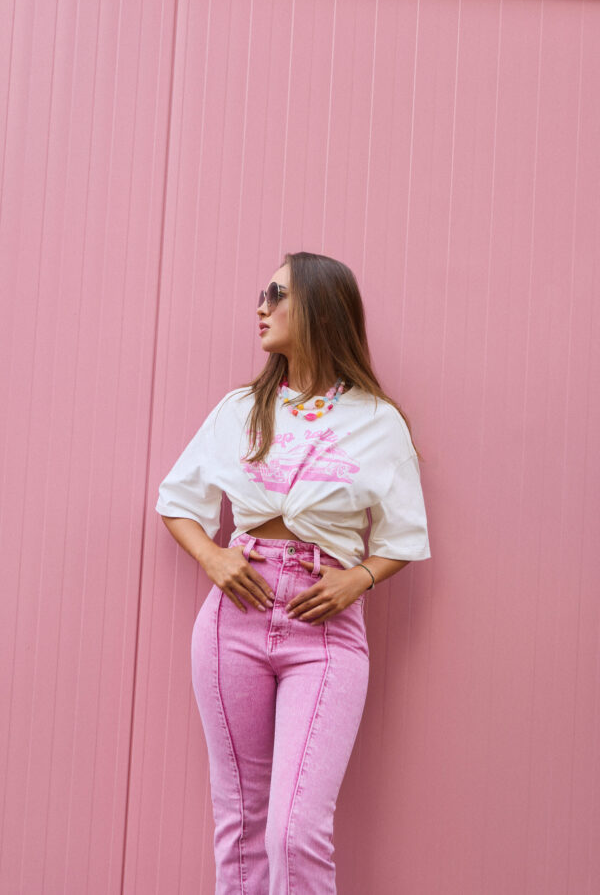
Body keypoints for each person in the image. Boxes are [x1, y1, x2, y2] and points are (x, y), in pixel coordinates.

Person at [155, 250, 431, 894]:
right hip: (235, 618)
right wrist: (214, 557)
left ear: (321, 308)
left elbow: (404, 536)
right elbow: (178, 502)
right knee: (242, 824)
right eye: (262, 294)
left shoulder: (377, 421)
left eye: (277, 295)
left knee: (294, 829)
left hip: (325, 628)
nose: (261, 307)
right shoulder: (240, 409)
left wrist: (359, 578)